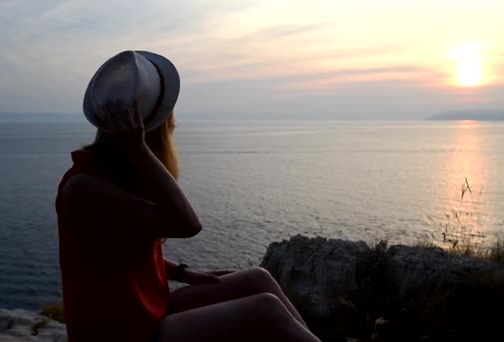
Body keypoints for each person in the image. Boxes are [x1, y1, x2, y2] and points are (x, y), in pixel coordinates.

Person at [55, 51, 320, 342]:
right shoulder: (85, 186)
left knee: (259, 279)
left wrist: (183, 272)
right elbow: (187, 224)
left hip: (147, 309)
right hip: (119, 330)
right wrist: (140, 151)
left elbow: (116, 254)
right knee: (265, 310)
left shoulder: (116, 173)